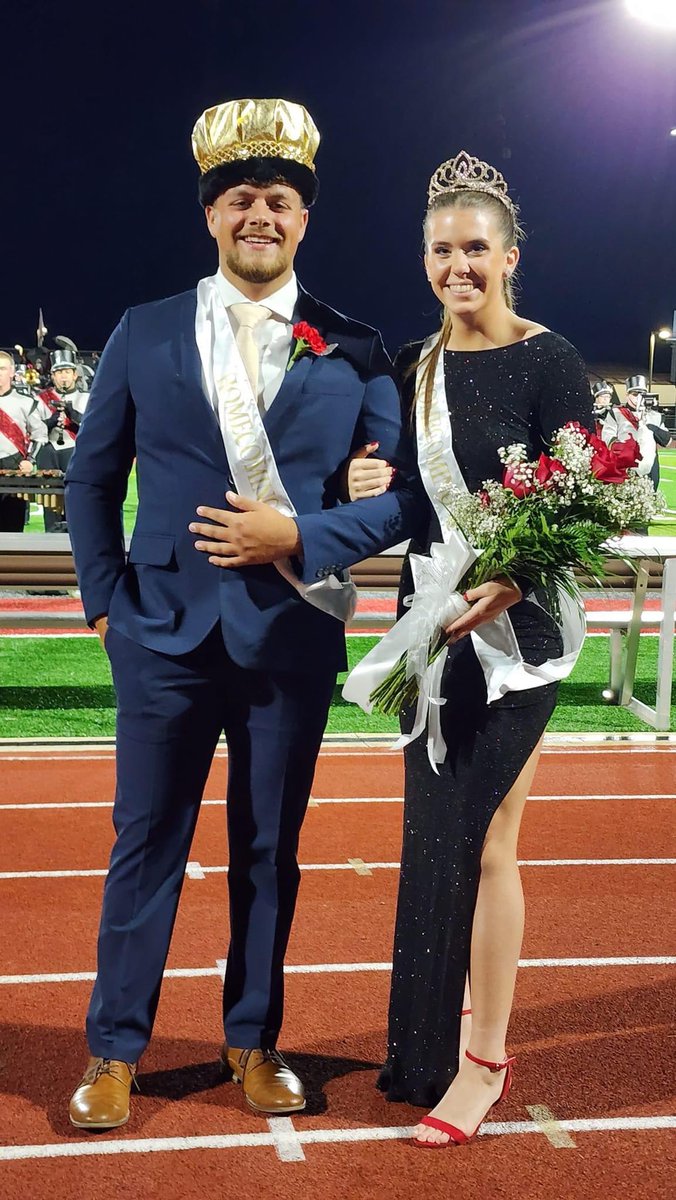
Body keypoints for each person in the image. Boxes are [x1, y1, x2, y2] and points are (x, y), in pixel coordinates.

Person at [65, 97, 420, 1131]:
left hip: (290, 631)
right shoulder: (142, 332)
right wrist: (102, 607)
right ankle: (114, 1050)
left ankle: (253, 1041)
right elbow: (93, 481)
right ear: (210, 216)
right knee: (146, 844)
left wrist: (301, 536)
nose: (257, 214)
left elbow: (402, 497)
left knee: (271, 849)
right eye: (237, 199)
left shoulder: (355, 348)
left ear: (303, 218)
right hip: (160, 637)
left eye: (276, 199)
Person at [347, 151, 594, 1147]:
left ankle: (482, 1062)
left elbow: (580, 506)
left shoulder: (550, 359)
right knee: (432, 839)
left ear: (508, 256)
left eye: (474, 249)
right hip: (431, 627)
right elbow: (414, 504)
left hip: (519, 636)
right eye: (441, 250)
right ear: (425, 258)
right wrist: (371, 487)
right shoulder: (413, 367)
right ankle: (421, 1054)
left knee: (483, 838)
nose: (458, 265)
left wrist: (518, 576)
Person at [37, 348, 89, 530]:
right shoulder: (41, 399)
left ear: (75, 375)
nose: (63, 377)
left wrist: (72, 415)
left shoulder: (87, 398)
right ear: (52, 376)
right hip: (49, 454)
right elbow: (34, 431)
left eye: (67, 372)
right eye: (59, 372)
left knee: (76, 504)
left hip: (76, 453)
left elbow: (92, 428)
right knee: (50, 506)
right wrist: (50, 422)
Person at [0, 350, 48, 531]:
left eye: (2, 368)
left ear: (12, 372)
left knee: (12, 528)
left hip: (14, 469)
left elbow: (40, 434)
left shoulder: (26, 402)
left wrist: (30, 460)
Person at [600, 375, 670, 491]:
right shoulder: (616, 413)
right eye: (635, 394)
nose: (638, 397)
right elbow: (607, 437)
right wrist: (623, 450)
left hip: (650, 467)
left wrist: (652, 426)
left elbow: (667, 441)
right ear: (627, 395)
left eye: (641, 394)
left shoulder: (655, 416)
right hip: (624, 465)